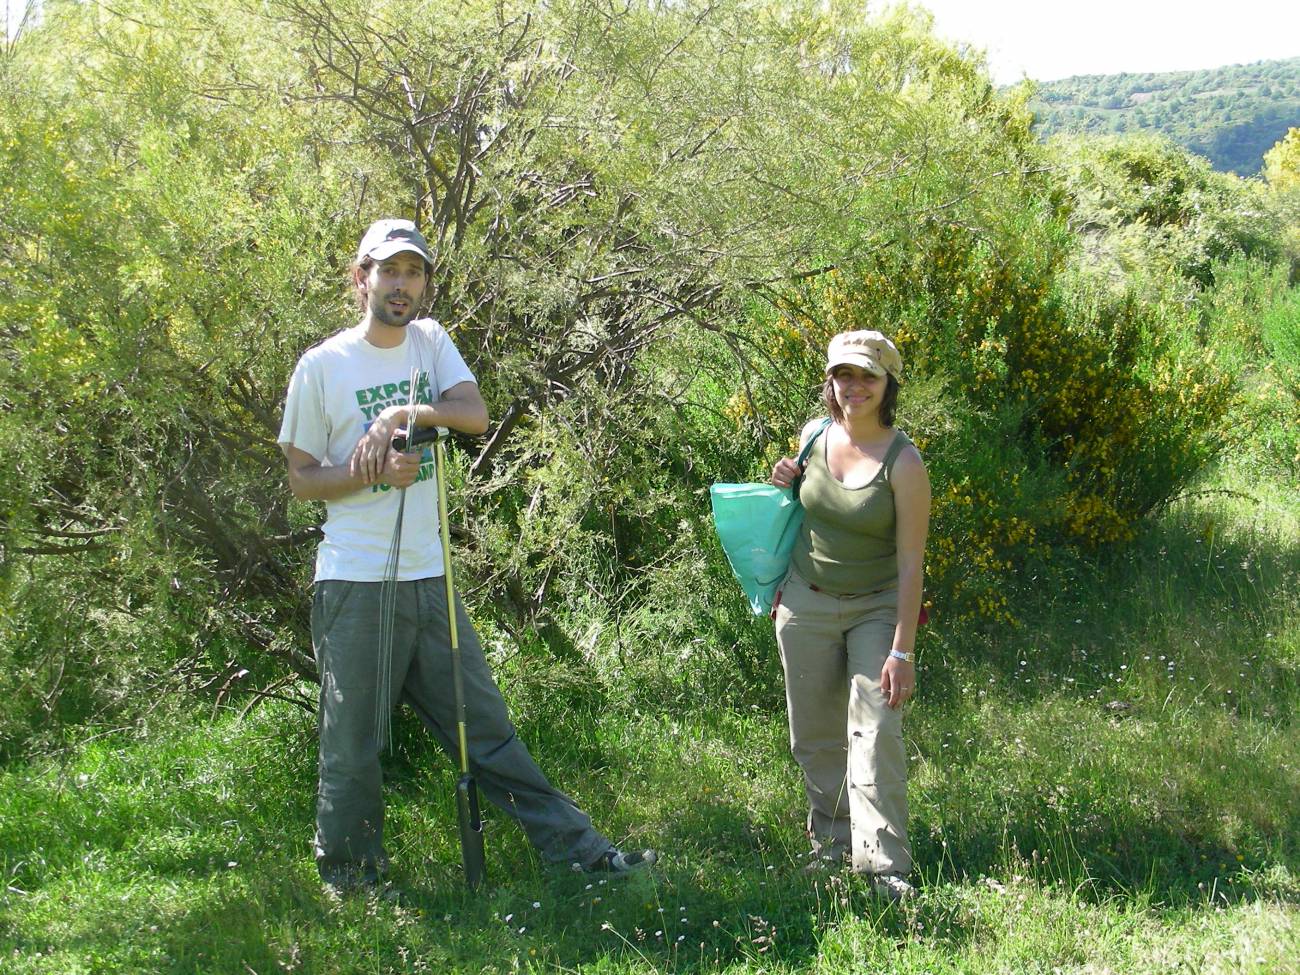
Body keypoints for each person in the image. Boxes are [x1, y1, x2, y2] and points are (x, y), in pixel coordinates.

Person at [278, 218, 656, 896]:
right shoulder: (323, 366)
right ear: (361, 277)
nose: (402, 284)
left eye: (413, 271)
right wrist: (369, 473)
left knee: (485, 729)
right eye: (388, 271)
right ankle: (353, 879)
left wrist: (399, 416)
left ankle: (578, 853)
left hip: (432, 578)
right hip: (357, 583)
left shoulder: (429, 341)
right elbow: (303, 478)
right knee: (354, 746)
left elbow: (473, 411)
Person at [769, 329, 930, 901]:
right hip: (804, 599)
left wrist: (901, 650)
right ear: (829, 382)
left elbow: (911, 564)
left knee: (876, 730)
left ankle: (884, 867)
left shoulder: (904, 461)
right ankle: (832, 848)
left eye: (868, 376)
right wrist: (786, 477)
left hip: (877, 606)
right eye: (844, 375)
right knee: (813, 733)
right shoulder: (814, 435)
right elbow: (795, 512)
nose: (854, 387)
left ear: (888, 385)